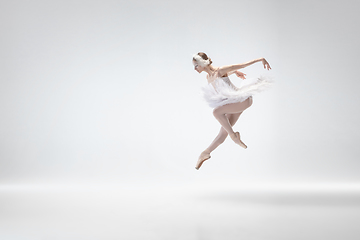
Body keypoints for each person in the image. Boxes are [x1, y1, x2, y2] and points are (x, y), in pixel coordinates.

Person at [192, 52, 272, 170]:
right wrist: (234, 72)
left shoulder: (220, 70)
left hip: (242, 100)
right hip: (233, 104)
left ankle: (234, 137)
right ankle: (205, 153)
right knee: (223, 132)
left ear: (202, 63)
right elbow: (221, 79)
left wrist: (261, 59)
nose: (195, 69)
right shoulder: (208, 77)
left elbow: (242, 65)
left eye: (196, 66)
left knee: (216, 112)